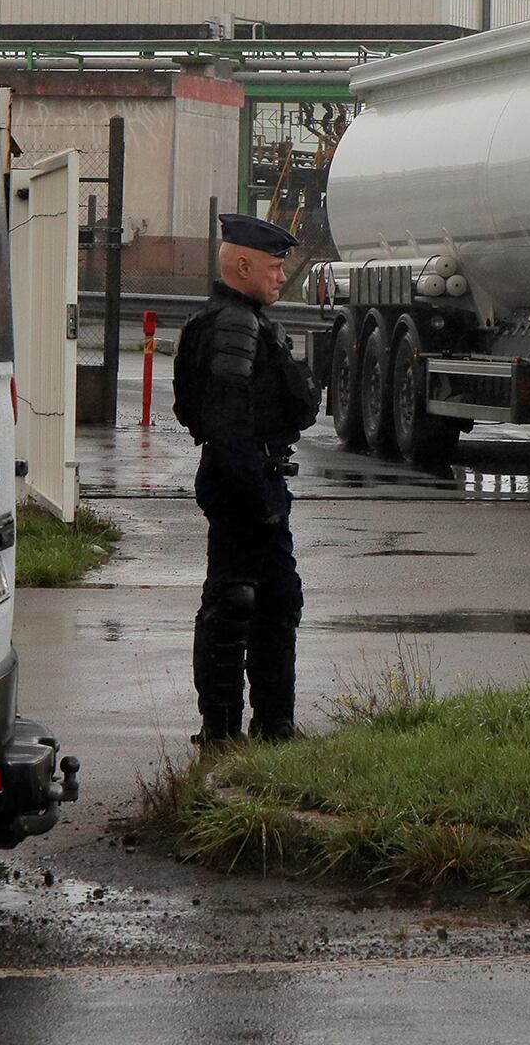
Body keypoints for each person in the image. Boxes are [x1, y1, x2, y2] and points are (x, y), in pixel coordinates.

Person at [172, 213, 320, 745]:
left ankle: (273, 726)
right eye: (275, 267)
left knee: (278, 600)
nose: (283, 277)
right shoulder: (234, 325)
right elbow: (225, 418)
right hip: (245, 479)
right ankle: (222, 732)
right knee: (235, 601)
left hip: (260, 476)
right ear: (242, 265)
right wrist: (256, 494)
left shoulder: (250, 320)